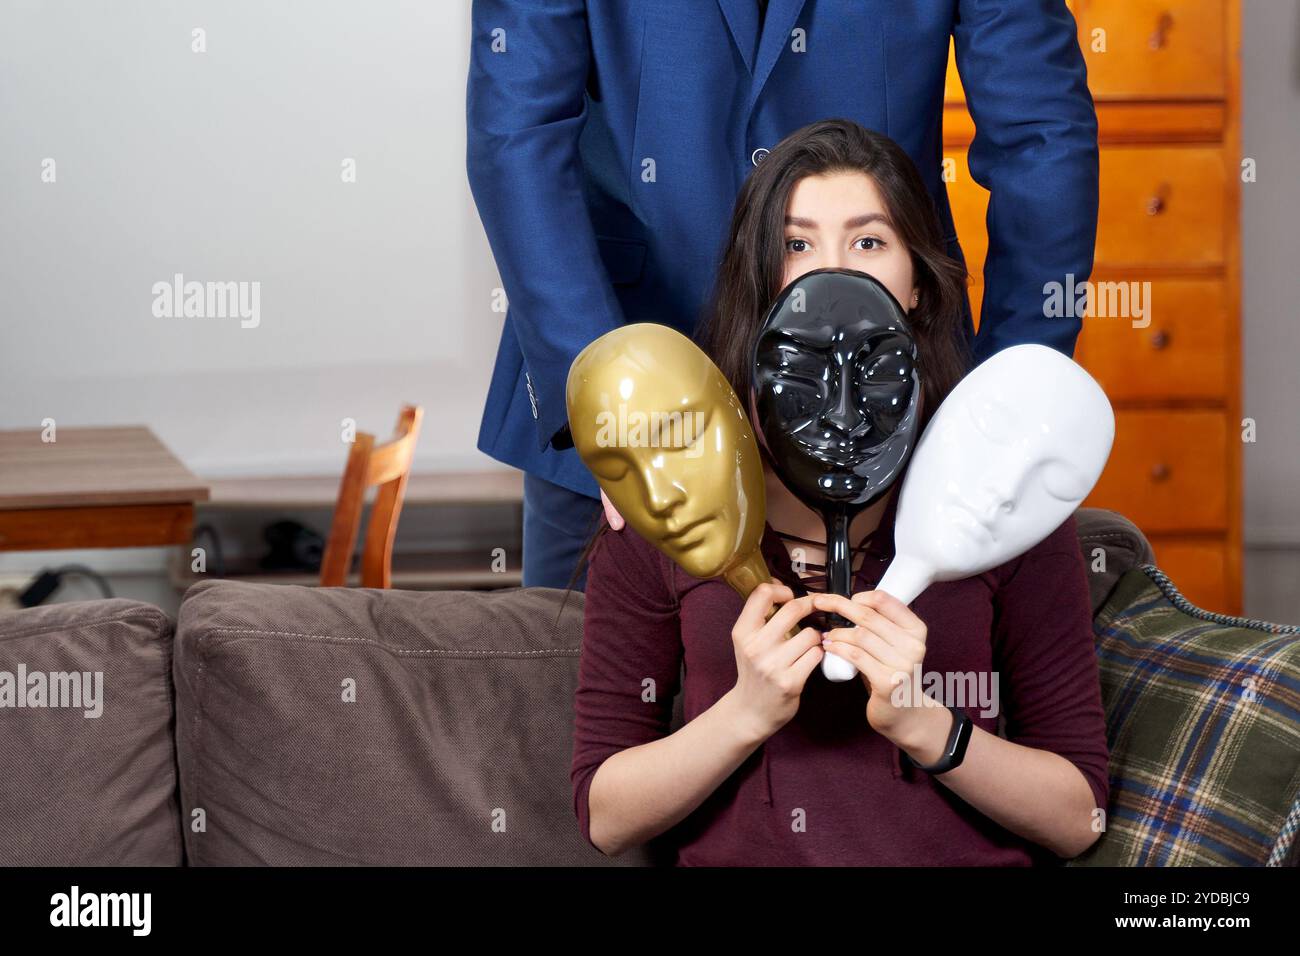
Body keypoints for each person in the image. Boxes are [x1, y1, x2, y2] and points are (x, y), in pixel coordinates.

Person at [568, 119, 1110, 865]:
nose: (834, 272)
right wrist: (744, 715)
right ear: (763, 284)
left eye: (868, 241)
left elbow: (1080, 818)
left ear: (917, 283)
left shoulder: (999, 499)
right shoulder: (670, 502)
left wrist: (930, 728)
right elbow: (606, 815)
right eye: (796, 244)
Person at [465, 0, 1099, 589]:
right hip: (629, 374)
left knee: (923, 693)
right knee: (572, 697)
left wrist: (1006, 405)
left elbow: (1043, 133)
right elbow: (517, 132)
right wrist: (602, 396)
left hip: (895, 398)